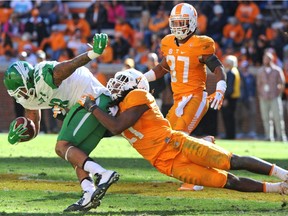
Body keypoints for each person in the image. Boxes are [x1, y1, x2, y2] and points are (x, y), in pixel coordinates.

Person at [80, 69, 288, 197]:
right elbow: (105, 129)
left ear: (136, 86)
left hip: (176, 144)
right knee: (227, 181)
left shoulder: (138, 96)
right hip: (166, 163)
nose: (117, 84)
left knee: (232, 161)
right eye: (118, 80)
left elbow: (116, 127)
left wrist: (92, 108)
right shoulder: (115, 110)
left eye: (123, 80)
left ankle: (284, 174)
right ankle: (279, 188)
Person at [3, 33, 119, 212]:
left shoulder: (42, 76)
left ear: (28, 79)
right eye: (16, 93)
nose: (21, 95)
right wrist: (20, 136)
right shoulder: (26, 97)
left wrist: (93, 54)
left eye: (21, 89)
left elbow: (69, 66)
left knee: (61, 146)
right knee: (75, 153)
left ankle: (103, 174)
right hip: (84, 105)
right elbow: (34, 125)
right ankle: (88, 192)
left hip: (93, 99)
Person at [143, 2, 227, 191]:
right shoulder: (168, 42)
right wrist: (142, 79)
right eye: (176, 22)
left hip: (196, 97)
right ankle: (204, 144)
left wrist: (220, 88)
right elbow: (163, 67)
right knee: (167, 141)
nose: (179, 26)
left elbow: (218, 67)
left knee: (179, 138)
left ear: (193, 23)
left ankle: (197, 179)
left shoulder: (201, 44)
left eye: (183, 22)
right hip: (179, 100)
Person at [256, 52, 287, 142]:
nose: (266, 60)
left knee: (278, 117)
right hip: (264, 97)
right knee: (266, 118)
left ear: (271, 59)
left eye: (268, 58)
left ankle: (281, 136)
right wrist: (261, 94)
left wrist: (278, 93)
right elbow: (258, 84)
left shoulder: (277, 70)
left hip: (274, 97)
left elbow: (282, 83)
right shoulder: (260, 71)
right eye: (265, 58)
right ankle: (269, 136)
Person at [221, 55, 241, 140]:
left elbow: (230, 88)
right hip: (234, 97)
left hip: (230, 98)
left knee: (228, 117)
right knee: (231, 117)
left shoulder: (231, 72)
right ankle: (231, 135)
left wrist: (226, 98)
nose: (224, 63)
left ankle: (229, 135)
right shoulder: (235, 71)